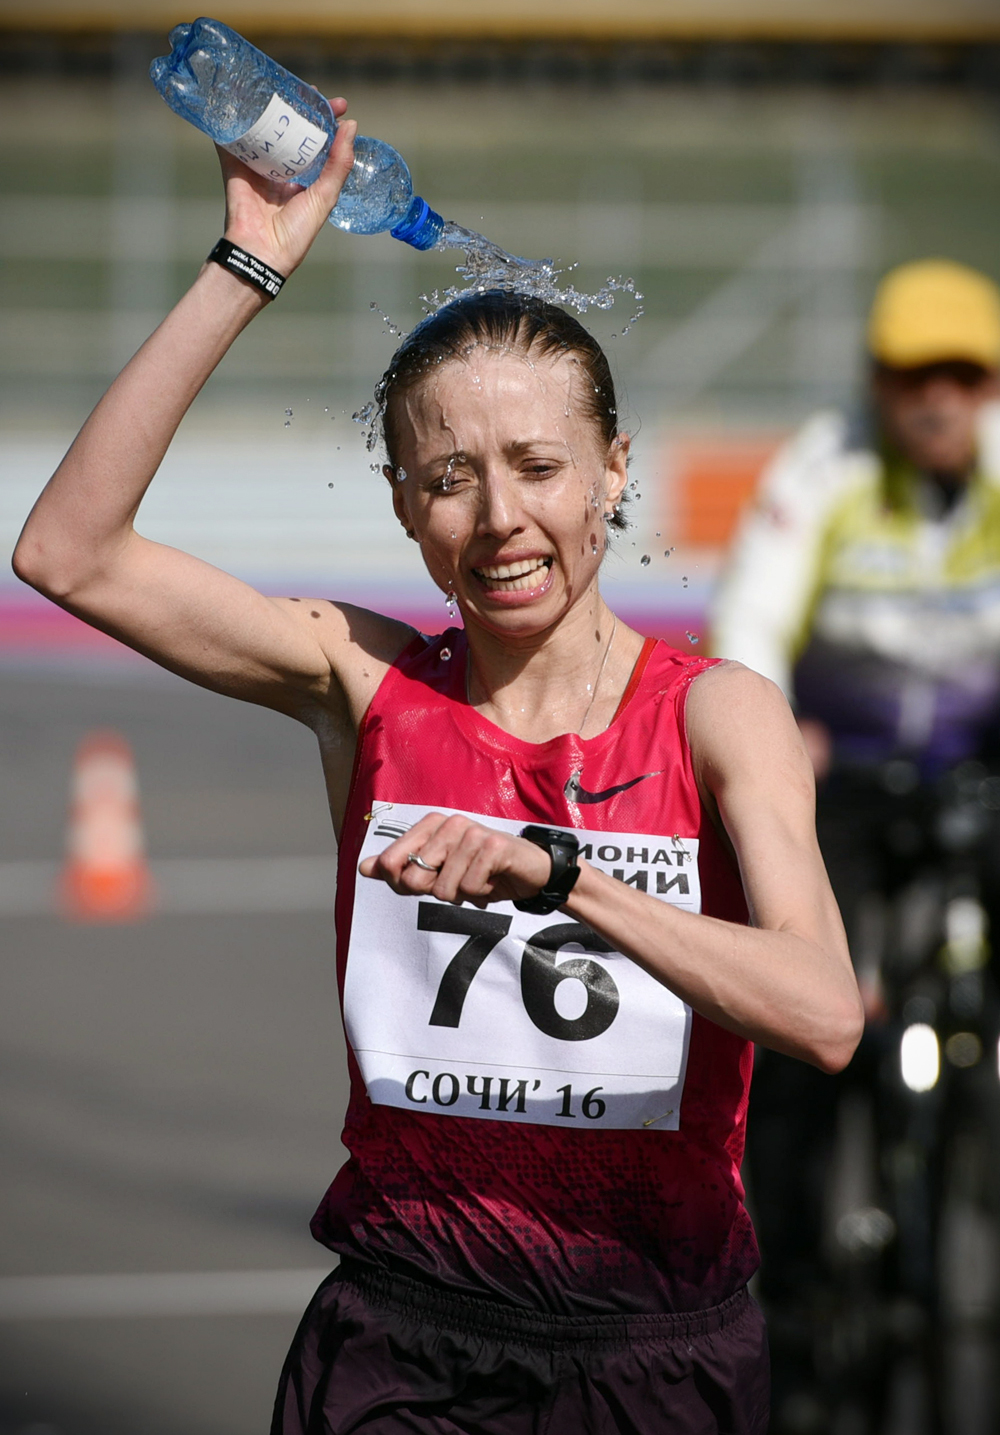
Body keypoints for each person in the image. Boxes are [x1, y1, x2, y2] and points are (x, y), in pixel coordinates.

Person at [12, 103, 861, 1435]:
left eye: (539, 466)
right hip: (401, 1347)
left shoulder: (716, 716)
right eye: (451, 477)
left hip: (661, 1348)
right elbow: (68, 552)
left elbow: (822, 1011)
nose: (502, 517)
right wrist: (247, 263)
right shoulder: (371, 682)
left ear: (613, 472)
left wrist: (560, 872)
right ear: (405, 501)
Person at [710, 259, 1000, 1432]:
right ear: (873, 384)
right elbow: (748, 629)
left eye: (961, 374)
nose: (934, 398)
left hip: (981, 761)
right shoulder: (820, 469)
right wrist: (774, 751)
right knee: (798, 1033)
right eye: (907, 375)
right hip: (841, 771)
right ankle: (777, 1305)